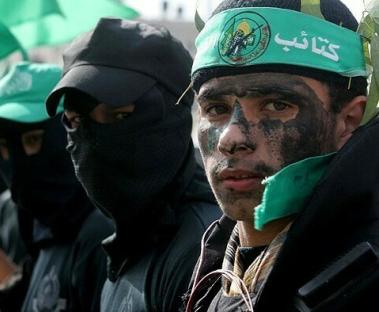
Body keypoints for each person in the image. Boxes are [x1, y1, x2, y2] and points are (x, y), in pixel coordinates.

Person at [184, 0, 379, 311]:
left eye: (276, 105)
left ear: (348, 120)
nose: (231, 138)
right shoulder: (208, 275)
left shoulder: (362, 281)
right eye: (216, 109)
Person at [45, 18, 222, 312]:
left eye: (119, 115)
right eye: (76, 122)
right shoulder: (127, 244)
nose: (93, 142)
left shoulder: (203, 251)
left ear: (174, 112)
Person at [0, 62, 113, 312]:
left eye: (33, 140)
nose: (17, 162)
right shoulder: (48, 230)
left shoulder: (101, 235)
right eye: (3, 148)